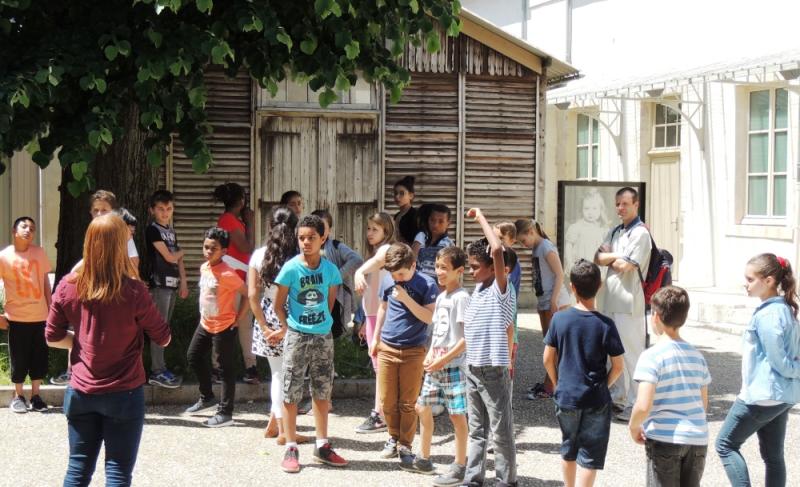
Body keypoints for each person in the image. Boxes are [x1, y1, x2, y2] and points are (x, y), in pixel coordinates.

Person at [45, 213, 171, 486]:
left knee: (77, 470)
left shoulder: (68, 286)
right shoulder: (134, 291)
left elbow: (52, 337)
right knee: (117, 472)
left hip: (80, 390)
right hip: (124, 392)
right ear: (120, 246)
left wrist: (80, 341)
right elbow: (163, 338)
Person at [716, 254, 800, 487]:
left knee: (725, 444)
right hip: (783, 397)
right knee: (773, 456)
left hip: (762, 396)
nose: (746, 283)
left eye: (750, 279)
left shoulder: (768, 315)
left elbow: (781, 362)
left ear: (770, 280)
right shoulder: (785, 308)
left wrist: (797, 371)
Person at [272, 215, 347, 472]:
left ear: (322, 238)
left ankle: (322, 444)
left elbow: (330, 302)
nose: (306, 242)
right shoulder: (291, 268)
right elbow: (277, 304)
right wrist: (288, 327)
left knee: (322, 389)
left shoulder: (330, 270)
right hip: (296, 335)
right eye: (302, 238)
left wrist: (319, 325)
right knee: (292, 388)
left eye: (311, 237)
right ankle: (291, 446)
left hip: (323, 336)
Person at [543, 259, 625, 487]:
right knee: (590, 454)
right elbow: (618, 366)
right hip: (596, 397)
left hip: (567, 395)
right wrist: (604, 386)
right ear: (600, 286)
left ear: (572, 287)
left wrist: (557, 383)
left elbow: (547, 358)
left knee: (569, 446)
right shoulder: (606, 324)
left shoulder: (559, 319)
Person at [52, 189, 138, 385]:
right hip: (90, 291)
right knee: (81, 330)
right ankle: (73, 373)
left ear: (114, 213)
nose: (99, 214)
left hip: (113, 292)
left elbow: (133, 266)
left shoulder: (123, 235)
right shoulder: (91, 234)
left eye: (104, 210)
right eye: (96, 210)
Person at [629, 286, 711, 487]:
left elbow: (643, 405)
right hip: (697, 439)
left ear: (655, 316)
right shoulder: (697, 356)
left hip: (665, 439)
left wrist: (633, 426)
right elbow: (703, 404)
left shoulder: (652, 356)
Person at [462, 208, 518, 487]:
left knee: (500, 429)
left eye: (475, 266)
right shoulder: (479, 291)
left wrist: (480, 217)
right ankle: (473, 477)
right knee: (476, 429)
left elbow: (496, 250)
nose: (471, 271)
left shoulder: (501, 289)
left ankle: (506, 480)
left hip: (493, 370)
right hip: (472, 368)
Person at [406, 246, 470, 486]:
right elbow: (438, 333)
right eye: (437, 266)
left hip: (453, 367)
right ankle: (424, 458)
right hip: (436, 365)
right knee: (422, 407)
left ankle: (460, 464)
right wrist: (431, 355)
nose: (439, 272)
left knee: (457, 416)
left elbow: (465, 339)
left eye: (445, 268)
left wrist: (444, 359)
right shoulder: (441, 297)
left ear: (459, 271)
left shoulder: (462, 298)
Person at [370, 243, 437, 467]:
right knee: (386, 400)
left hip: (414, 349)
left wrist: (406, 298)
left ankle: (405, 444)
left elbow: (429, 317)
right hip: (387, 347)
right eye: (392, 273)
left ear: (413, 265)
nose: (396, 278)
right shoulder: (388, 280)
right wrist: (375, 338)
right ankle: (393, 436)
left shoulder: (426, 283)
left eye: (401, 273)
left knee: (407, 402)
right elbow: (382, 308)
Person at [248, 207, 311, 445]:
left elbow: (253, 295)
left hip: (266, 317)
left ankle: (276, 423)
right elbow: (305, 295)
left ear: (269, 226)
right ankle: (286, 431)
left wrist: (264, 327)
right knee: (290, 377)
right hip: (294, 317)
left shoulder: (258, 255)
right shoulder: (299, 257)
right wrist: (288, 327)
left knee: (277, 374)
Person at [594, 186, 652, 421]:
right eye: (618, 203)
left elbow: (626, 266)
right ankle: (618, 400)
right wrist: (617, 256)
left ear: (636, 205)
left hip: (629, 302)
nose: (620, 208)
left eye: (625, 203)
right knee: (612, 354)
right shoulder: (615, 231)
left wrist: (612, 257)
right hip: (609, 299)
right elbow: (597, 257)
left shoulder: (641, 234)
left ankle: (638, 404)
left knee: (632, 354)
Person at [184, 227, 249, 428]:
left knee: (225, 369)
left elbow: (248, 294)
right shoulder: (204, 267)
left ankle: (225, 413)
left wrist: (239, 318)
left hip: (225, 326)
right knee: (193, 356)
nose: (208, 251)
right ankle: (207, 397)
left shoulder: (228, 273)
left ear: (224, 252)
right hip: (205, 324)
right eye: (206, 247)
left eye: (214, 248)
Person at [0, 217, 52, 413]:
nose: (28, 230)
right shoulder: (4, 256)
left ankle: (36, 396)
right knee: (19, 358)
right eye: (24, 226)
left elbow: (45, 282)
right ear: (14, 230)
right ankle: (18, 395)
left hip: (40, 315)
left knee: (39, 357)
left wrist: (52, 308)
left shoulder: (39, 253)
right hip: (16, 317)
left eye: (32, 228)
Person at [515, 218, 570, 399]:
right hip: (544, 300)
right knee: (551, 344)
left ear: (531, 231)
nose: (523, 245)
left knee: (553, 346)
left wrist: (553, 300)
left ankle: (551, 386)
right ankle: (552, 383)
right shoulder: (537, 248)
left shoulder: (546, 247)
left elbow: (560, 274)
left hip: (555, 301)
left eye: (523, 240)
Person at [353, 212, 395, 434]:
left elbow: (373, 268)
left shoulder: (386, 251)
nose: (369, 233)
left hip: (382, 315)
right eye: (368, 228)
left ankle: (380, 415)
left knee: (381, 368)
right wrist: (363, 321)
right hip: (372, 315)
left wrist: (359, 271)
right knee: (379, 367)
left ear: (386, 232)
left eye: (375, 229)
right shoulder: (375, 253)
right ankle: (382, 413)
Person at [213, 182, 259, 384]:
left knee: (244, 324)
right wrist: (250, 223)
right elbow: (246, 246)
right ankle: (218, 368)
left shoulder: (231, 220)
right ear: (241, 201)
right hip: (231, 280)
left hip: (241, 278)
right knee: (227, 323)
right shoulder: (229, 220)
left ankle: (251, 367)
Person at [144, 190, 188, 389]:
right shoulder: (152, 230)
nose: (164, 213)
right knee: (158, 329)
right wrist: (182, 251)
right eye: (160, 209)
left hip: (172, 284)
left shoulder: (171, 231)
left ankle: (161, 368)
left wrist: (184, 282)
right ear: (152, 210)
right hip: (158, 284)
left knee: (165, 328)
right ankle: (157, 370)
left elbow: (178, 260)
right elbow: (171, 257)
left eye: (168, 209)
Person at [564, 189, 609, 278]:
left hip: (596, 268)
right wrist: (570, 263)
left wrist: (605, 267)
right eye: (586, 208)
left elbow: (606, 250)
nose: (590, 212)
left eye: (594, 208)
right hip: (579, 267)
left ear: (600, 210)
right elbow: (569, 245)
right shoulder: (576, 227)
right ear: (582, 209)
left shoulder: (603, 229)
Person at [412, 203, 454, 281]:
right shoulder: (422, 238)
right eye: (432, 220)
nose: (435, 225)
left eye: (441, 221)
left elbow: (447, 274)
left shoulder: (447, 245)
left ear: (448, 224)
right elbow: (412, 262)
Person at [393, 176, 419, 245]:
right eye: (395, 193)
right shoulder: (397, 216)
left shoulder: (415, 215)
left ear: (411, 196)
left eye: (402, 193)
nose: (397, 197)